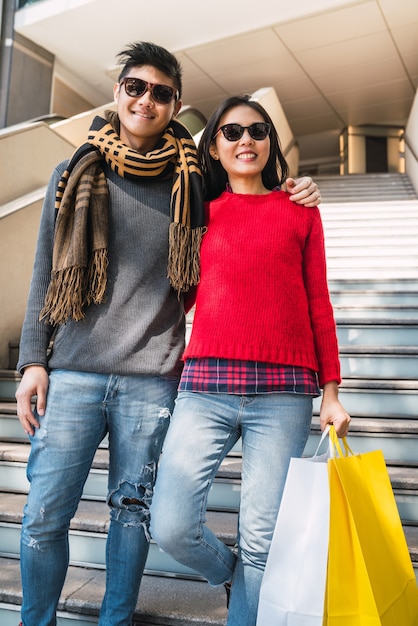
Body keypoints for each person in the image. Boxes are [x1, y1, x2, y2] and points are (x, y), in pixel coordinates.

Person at [14, 41, 319, 626]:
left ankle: (117, 620)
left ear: (176, 104)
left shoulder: (194, 182)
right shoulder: (75, 171)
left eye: (161, 92)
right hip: (73, 370)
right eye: (136, 87)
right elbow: (45, 271)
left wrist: (299, 192)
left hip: (153, 378)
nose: (145, 100)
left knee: (133, 514)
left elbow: (249, 198)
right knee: (43, 517)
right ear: (117, 92)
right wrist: (33, 360)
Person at [150, 94, 351, 626]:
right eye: (232, 132)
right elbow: (179, 293)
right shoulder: (198, 215)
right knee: (169, 523)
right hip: (206, 386)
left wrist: (331, 392)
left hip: (284, 394)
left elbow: (318, 300)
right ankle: (235, 576)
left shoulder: (299, 210)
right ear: (213, 146)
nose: (246, 140)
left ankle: (251, 599)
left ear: (270, 143)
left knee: (262, 538)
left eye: (258, 131)